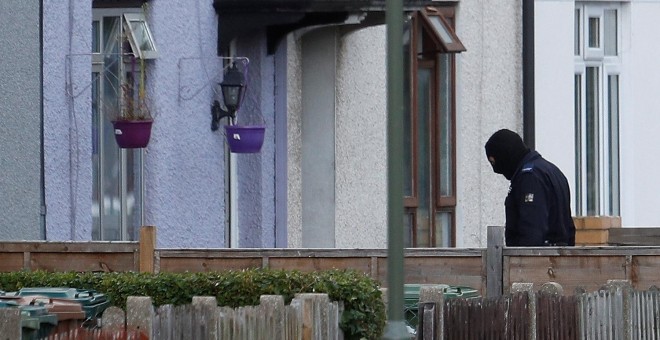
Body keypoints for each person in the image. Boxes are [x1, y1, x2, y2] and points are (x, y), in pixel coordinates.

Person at [484, 129, 576, 246]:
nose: (497, 170)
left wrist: (520, 259)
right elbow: (569, 227)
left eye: (494, 162)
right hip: (559, 258)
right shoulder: (550, 170)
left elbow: (532, 230)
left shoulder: (530, 178)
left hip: (537, 260)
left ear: (505, 155)